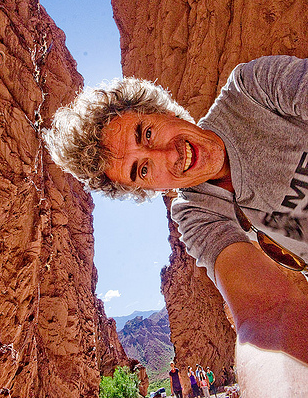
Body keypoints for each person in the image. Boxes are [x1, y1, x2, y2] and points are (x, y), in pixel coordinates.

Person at [44, 55, 308, 368]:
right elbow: (266, 314)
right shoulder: (196, 216)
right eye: (142, 169)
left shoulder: (252, 90)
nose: (168, 154)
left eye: (147, 134)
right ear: (149, 190)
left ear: (164, 109)